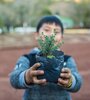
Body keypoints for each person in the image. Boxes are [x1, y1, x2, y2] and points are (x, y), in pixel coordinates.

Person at [10, 15, 82, 100]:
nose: (52, 34)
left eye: (56, 31)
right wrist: (27, 76)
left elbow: (78, 83)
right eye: (47, 30)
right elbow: (14, 79)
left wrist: (70, 81)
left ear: (62, 38)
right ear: (37, 35)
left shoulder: (66, 60)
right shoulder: (28, 58)